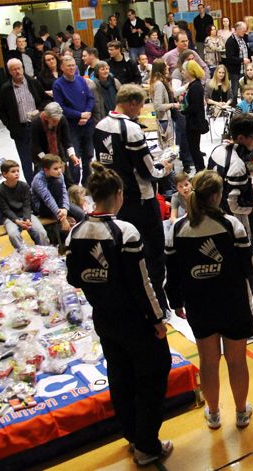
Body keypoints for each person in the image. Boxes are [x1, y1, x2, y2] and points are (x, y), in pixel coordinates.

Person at [65, 161, 172, 466]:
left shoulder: (75, 232)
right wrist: (157, 320)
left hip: (104, 319)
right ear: (119, 194)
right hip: (134, 320)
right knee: (154, 375)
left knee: (121, 377)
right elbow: (142, 283)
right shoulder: (124, 231)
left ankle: (134, 436)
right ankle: (147, 445)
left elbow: (75, 278)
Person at [165, 169, 253, 428]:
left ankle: (214, 413)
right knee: (237, 360)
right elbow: (250, 266)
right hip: (232, 302)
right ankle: (241, 412)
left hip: (199, 304)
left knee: (208, 361)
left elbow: (171, 272)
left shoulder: (178, 228)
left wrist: (176, 302)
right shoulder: (232, 225)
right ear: (217, 196)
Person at [95, 84, 173, 311]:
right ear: (131, 103)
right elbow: (149, 172)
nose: (140, 111)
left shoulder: (100, 126)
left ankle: (131, 300)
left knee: (123, 251)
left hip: (114, 199)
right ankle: (158, 303)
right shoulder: (130, 129)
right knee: (153, 254)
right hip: (140, 200)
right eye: (140, 106)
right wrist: (164, 167)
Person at [207, 116, 253, 239]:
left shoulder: (218, 149)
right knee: (244, 247)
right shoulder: (237, 166)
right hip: (236, 220)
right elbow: (234, 205)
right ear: (241, 138)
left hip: (216, 211)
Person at [0, 58, 46, 182]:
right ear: (9, 72)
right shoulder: (6, 89)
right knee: (26, 161)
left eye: (19, 68)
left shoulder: (33, 82)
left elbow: (44, 100)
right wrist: (10, 126)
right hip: (20, 130)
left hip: (37, 126)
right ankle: (31, 187)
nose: (17, 71)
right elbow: (1, 111)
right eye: (14, 69)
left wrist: (39, 111)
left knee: (41, 156)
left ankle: (41, 184)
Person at [53, 56, 96, 184]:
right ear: (62, 68)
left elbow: (90, 98)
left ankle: (87, 183)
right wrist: (79, 115)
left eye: (73, 65)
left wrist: (87, 113)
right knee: (74, 158)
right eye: (68, 66)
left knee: (88, 155)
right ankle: (73, 187)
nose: (72, 68)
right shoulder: (58, 85)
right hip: (71, 126)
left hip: (87, 124)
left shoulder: (81, 80)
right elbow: (60, 107)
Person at [0, 159, 48, 249]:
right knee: (13, 235)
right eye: (13, 171)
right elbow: (5, 209)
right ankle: (24, 255)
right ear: (4, 174)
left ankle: (45, 252)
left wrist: (27, 218)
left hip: (26, 214)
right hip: (10, 218)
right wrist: (16, 220)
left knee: (41, 232)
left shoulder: (24, 186)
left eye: (17, 171)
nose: (16, 173)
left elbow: (27, 204)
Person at [31, 154, 83, 233]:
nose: (59, 171)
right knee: (64, 227)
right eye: (55, 169)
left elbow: (64, 193)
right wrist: (63, 218)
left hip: (58, 203)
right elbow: (48, 199)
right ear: (46, 170)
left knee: (81, 214)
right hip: (42, 206)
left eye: (60, 167)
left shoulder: (59, 174)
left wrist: (65, 208)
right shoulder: (38, 180)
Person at [179, 60, 209, 172]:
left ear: (190, 71)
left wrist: (183, 110)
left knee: (194, 149)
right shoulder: (193, 85)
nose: (182, 72)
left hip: (194, 123)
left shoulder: (195, 86)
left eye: (183, 70)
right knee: (194, 148)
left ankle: (200, 170)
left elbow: (195, 107)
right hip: (192, 121)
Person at [150, 59, 179, 152]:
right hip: (164, 120)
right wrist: (172, 105)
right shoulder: (158, 84)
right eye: (166, 65)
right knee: (168, 150)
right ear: (161, 68)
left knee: (169, 148)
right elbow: (158, 106)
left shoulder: (160, 82)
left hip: (165, 119)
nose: (168, 67)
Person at [223, 22, 250, 104]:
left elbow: (247, 50)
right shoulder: (230, 41)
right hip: (235, 71)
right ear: (237, 30)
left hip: (245, 70)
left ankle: (245, 107)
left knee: (245, 91)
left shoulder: (244, 38)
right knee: (234, 91)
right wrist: (242, 60)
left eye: (245, 30)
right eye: (243, 30)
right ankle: (234, 108)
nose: (244, 32)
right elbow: (230, 58)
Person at [90, 61, 122, 128]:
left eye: (107, 69)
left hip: (117, 114)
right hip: (103, 117)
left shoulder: (115, 82)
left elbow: (122, 97)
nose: (105, 71)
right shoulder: (92, 86)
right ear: (97, 72)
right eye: (102, 69)